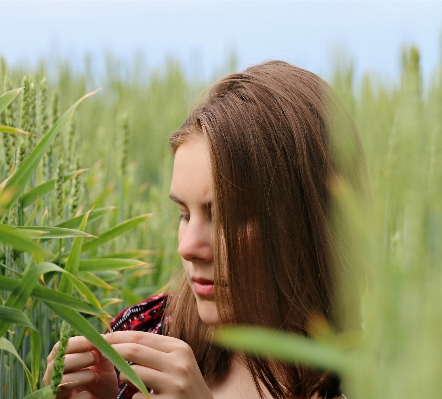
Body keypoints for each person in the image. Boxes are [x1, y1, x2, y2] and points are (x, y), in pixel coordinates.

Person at [43, 60, 364, 399]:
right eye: (184, 214)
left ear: (302, 221)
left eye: (225, 216)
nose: (188, 247)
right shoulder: (144, 337)